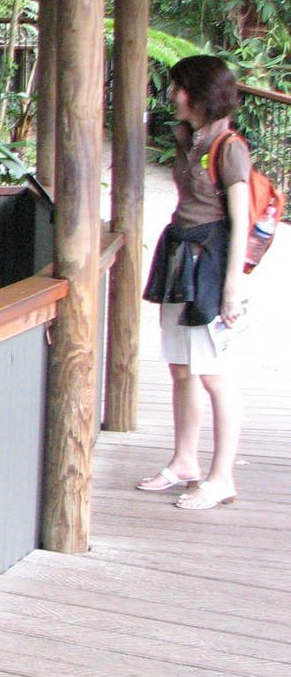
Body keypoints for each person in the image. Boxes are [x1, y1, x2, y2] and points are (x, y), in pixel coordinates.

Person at [138, 55, 252, 510]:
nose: (171, 94)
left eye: (178, 86)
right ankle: (185, 461)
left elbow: (239, 222)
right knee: (181, 368)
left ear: (199, 93)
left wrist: (231, 289)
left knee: (214, 374)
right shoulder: (188, 138)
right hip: (180, 254)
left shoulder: (229, 146)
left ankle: (222, 476)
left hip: (210, 264)